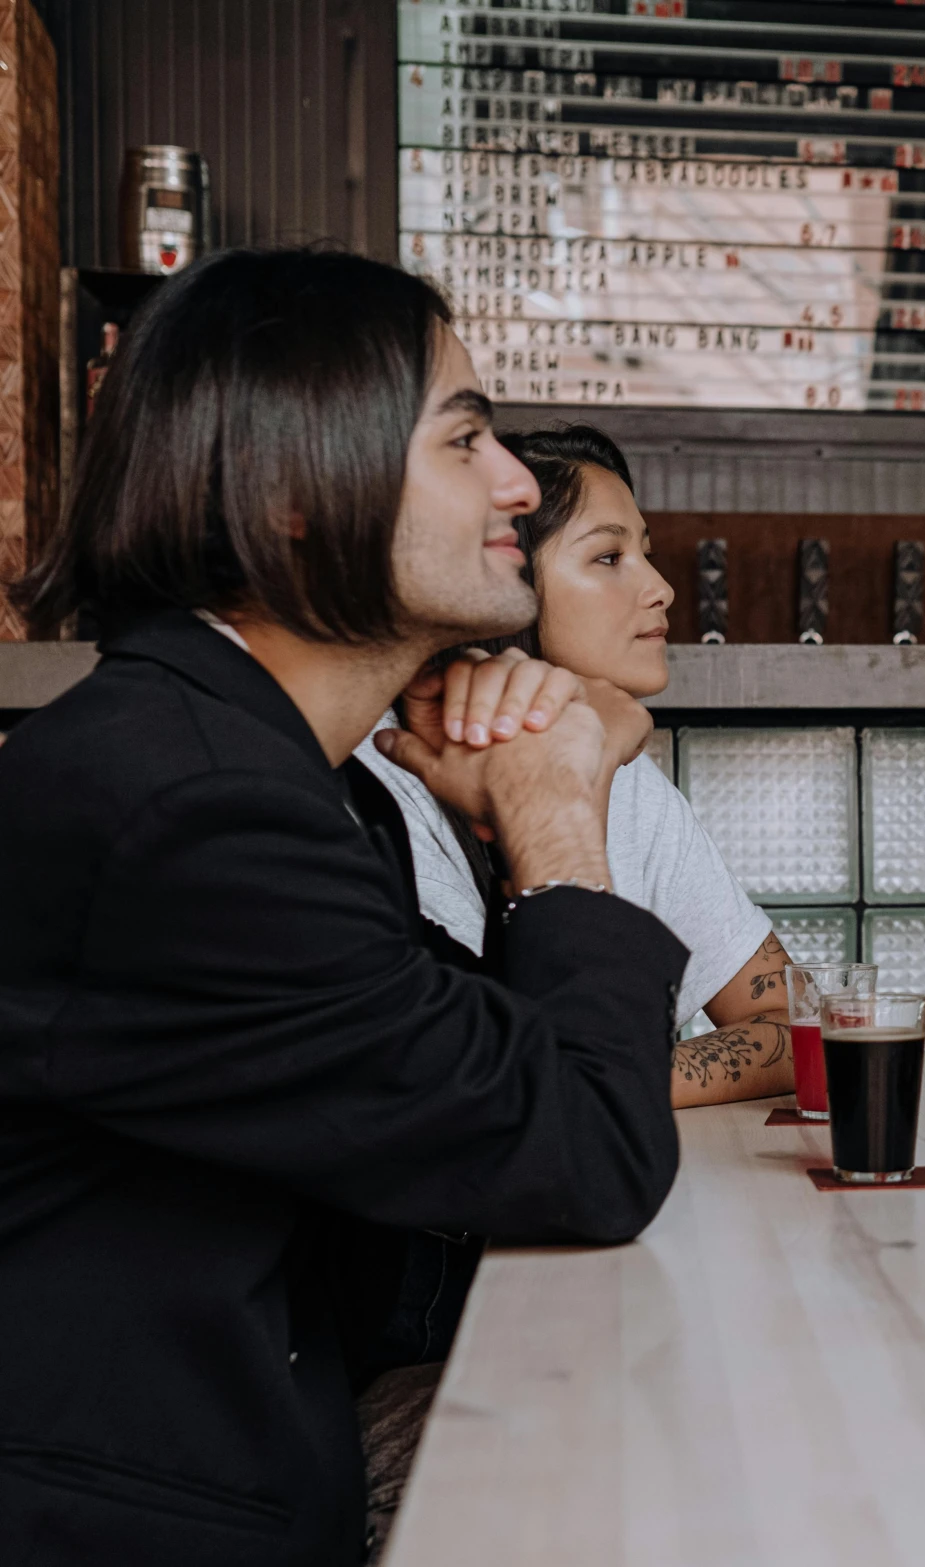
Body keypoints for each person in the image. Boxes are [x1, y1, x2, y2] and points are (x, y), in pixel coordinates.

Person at [0, 248, 693, 1565]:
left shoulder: (256, 766)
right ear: (291, 489)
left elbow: (484, 1059)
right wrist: (551, 804)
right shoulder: (196, 808)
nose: (518, 483)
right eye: (466, 439)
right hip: (134, 1513)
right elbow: (587, 1152)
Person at [356, 425, 796, 1109]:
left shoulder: (635, 787)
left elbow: (796, 1024)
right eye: (609, 556)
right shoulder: (384, 779)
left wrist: (620, 1080)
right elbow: (486, 1090)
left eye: (644, 552)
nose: (662, 589)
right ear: (500, 576)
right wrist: (605, 1082)